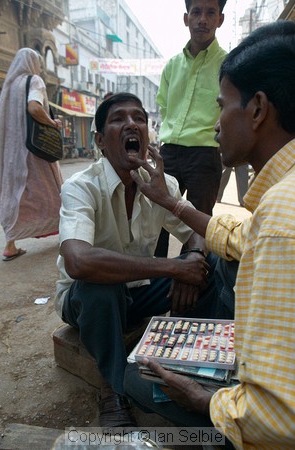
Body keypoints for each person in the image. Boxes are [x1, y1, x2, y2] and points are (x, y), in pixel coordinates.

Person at [125, 20, 295, 449]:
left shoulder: (280, 218)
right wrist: (173, 203)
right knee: (219, 260)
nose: (216, 124)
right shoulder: (280, 198)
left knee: (135, 377)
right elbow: (238, 235)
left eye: (222, 106)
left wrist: (205, 400)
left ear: (257, 109)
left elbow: (278, 420)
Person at [54, 92, 213, 429]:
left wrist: (194, 255)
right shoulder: (81, 187)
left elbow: (200, 229)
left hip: (139, 292)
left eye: (139, 118)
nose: (131, 124)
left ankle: (190, 362)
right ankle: (113, 388)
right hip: (86, 299)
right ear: (99, 140)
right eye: (118, 119)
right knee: (101, 288)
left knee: (208, 272)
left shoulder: (161, 183)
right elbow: (78, 262)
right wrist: (173, 266)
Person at [154, 0, 227, 257]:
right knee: (156, 217)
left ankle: (192, 284)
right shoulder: (172, 66)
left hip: (204, 155)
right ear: (186, 18)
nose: (202, 20)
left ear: (220, 19)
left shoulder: (228, 65)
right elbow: (163, 105)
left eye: (210, 12)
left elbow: (231, 107)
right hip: (168, 153)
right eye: (196, 12)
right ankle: (154, 281)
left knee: (198, 223)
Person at [0, 48, 63, 261]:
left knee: (15, 193)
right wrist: (52, 122)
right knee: (51, 190)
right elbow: (34, 108)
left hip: (11, 152)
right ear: (32, 64)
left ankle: (10, 244)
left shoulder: (8, 87)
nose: (41, 69)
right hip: (34, 150)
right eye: (39, 64)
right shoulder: (34, 81)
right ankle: (66, 231)